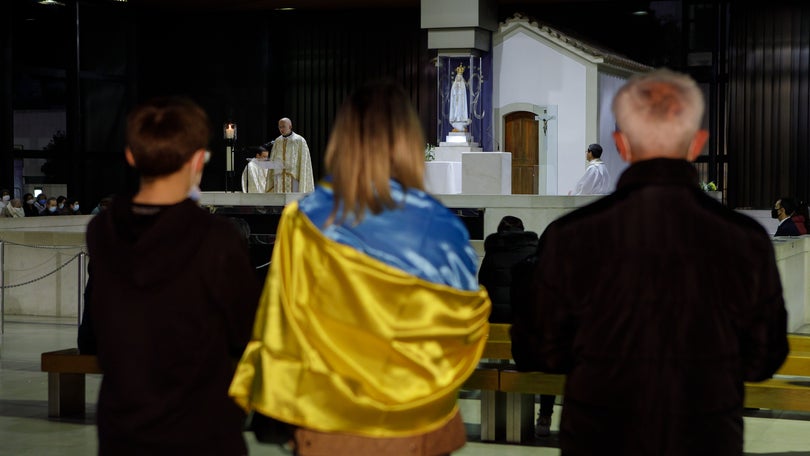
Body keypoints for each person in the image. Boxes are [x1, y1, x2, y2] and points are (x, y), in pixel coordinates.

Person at [510, 68, 789, 455]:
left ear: (622, 145)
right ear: (697, 143)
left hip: (600, 433)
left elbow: (536, 350)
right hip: (706, 434)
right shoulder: (743, 239)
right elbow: (765, 357)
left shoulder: (571, 235)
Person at [229, 80, 491, 456]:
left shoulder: (303, 220)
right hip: (419, 423)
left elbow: (282, 325)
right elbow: (465, 327)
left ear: (343, 139)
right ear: (407, 142)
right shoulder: (441, 226)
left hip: (329, 421)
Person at [80, 96, 260, 455]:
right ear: (197, 160)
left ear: (131, 156)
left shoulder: (103, 231)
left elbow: (98, 328)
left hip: (122, 428)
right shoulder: (216, 238)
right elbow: (247, 332)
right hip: (201, 428)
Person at [477, 215, 556, 437]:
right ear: (523, 230)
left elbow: (481, 289)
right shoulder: (534, 253)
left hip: (495, 327)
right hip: (527, 327)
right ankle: (545, 414)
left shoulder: (492, 254)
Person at [267, 117, 314, 193]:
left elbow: (304, 161)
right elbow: (273, 159)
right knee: (279, 202)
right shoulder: (277, 141)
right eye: (280, 127)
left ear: (290, 126)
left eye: (283, 126)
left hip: (293, 177)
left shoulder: (299, 140)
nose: (281, 129)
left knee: (292, 202)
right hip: (279, 177)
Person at [449, 63, 469, 132]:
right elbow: (452, 93)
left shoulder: (463, 85)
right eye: (457, 78)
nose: (458, 79)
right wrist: (455, 91)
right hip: (456, 101)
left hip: (461, 101)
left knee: (460, 110)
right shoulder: (454, 85)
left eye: (459, 78)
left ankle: (461, 122)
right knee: (456, 111)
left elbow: (463, 94)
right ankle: (456, 122)